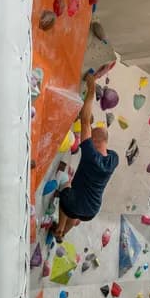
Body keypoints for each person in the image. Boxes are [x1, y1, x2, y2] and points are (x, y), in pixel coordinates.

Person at [53, 72, 119, 242]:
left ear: (95, 140)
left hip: (74, 204)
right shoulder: (113, 159)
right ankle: (64, 233)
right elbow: (95, 135)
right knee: (76, 212)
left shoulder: (91, 154)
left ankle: (59, 227)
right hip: (91, 211)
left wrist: (91, 87)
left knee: (65, 184)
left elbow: (84, 121)